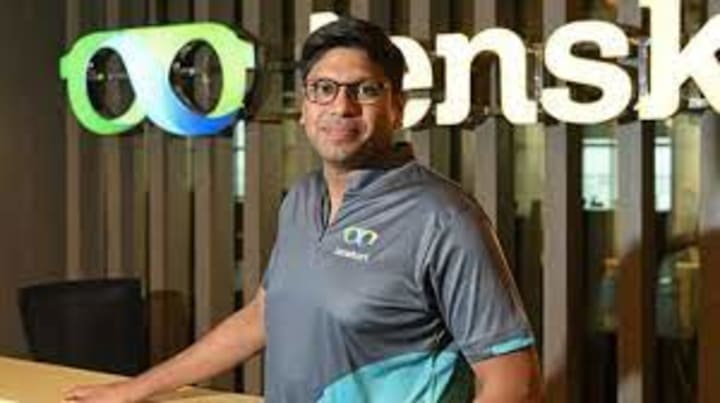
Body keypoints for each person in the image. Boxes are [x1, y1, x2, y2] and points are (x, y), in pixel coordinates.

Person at [64, 17, 541, 403]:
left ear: (397, 107)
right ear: (305, 108)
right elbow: (264, 314)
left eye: (365, 90)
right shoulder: (302, 198)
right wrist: (137, 388)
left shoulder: (444, 218)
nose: (341, 106)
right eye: (323, 88)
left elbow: (514, 383)